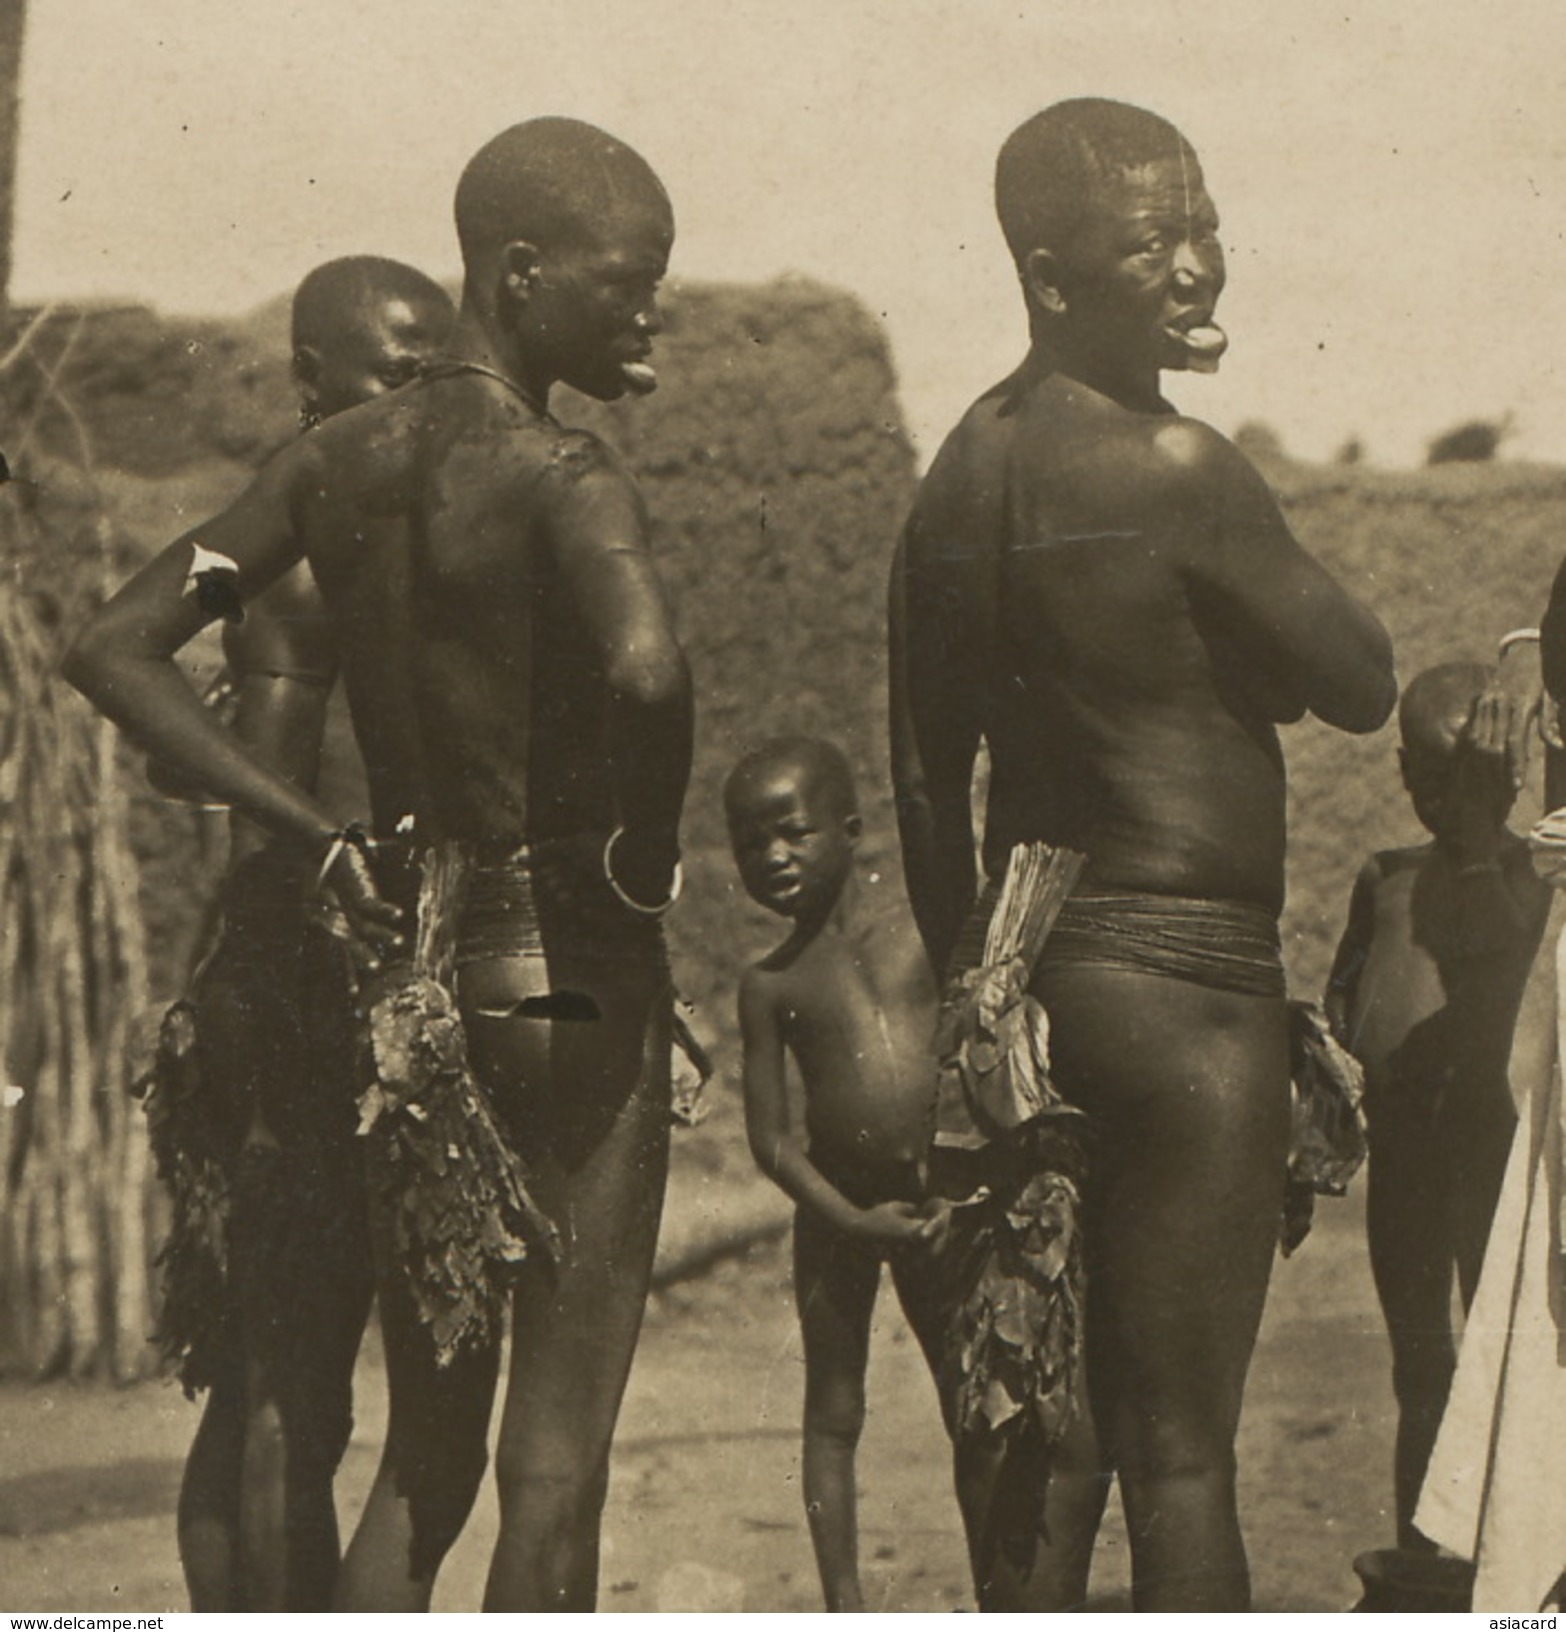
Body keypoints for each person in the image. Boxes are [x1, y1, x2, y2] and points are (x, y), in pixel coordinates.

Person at [64, 117, 693, 1612]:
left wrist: (310, 833)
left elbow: (116, 647)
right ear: (523, 273)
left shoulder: (331, 462)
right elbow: (649, 672)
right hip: (569, 972)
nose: (648, 315)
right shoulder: (563, 473)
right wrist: (646, 854)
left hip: (423, 985)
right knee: (553, 1469)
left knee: (426, 1458)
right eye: (629, 284)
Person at [888, 97, 1396, 1610]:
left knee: (1060, 1442)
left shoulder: (952, 487)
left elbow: (926, 780)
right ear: (1051, 279)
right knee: (1181, 1454)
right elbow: (1362, 681)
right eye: (1150, 242)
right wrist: (1249, 667)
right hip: (1186, 989)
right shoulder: (1181, 465)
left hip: (1038, 989)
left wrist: (981, 1011)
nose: (1195, 267)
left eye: (1202, 226)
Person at [157, 255, 455, 1612]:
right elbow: (124, 663)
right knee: (297, 1397)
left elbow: (193, 741)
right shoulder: (325, 538)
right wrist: (324, 833)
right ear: (311, 379)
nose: (426, 398)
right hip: (296, 992)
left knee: (259, 1389)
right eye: (399, 371)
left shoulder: (258, 537)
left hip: (242, 973)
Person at [1324, 663, 1549, 1553]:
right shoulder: (1385, 878)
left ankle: (1504, 1568)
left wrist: (1482, 841)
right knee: (1420, 1368)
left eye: (1465, 771)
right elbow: (1347, 994)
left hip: (1496, 1162)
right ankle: (1423, 1565)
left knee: (1508, 1370)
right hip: (1406, 1158)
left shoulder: (1533, 878)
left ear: (1505, 771)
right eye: (1424, 770)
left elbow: (1515, 977)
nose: (1439, 792)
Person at [727, 737, 950, 1612]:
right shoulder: (771, 982)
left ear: (852, 830)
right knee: (832, 1408)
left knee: (974, 1400)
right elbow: (772, 1141)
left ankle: (1014, 1596)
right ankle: (845, 1607)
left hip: (938, 1208)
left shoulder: (922, 932)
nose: (772, 857)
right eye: (751, 843)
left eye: (791, 832)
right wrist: (851, 1221)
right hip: (833, 1211)